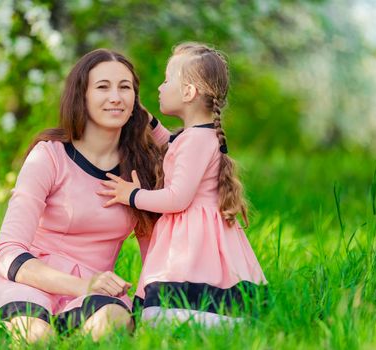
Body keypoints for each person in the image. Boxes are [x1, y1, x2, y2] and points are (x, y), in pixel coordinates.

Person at [0, 48, 164, 342]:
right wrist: (82, 285)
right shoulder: (50, 156)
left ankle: (60, 331)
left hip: (93, 294)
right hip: (29, 282)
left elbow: (195, 147)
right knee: (36, 336)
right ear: (81, 95)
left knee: (114, 323)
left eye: (125, 88)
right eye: (102, 87)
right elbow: (8, 253)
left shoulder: (142, 167)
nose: (116, 97)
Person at [98, 42, 267, 326]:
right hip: (196, 231)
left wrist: (133, 195)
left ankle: (199, 322)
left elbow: (178, 198)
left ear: (188, 92)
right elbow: (171, 145)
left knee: (178, 312)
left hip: (193, 240)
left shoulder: (197, 140)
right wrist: (148, 121)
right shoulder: (197, 136)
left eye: (167, 80)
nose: (160, 88)